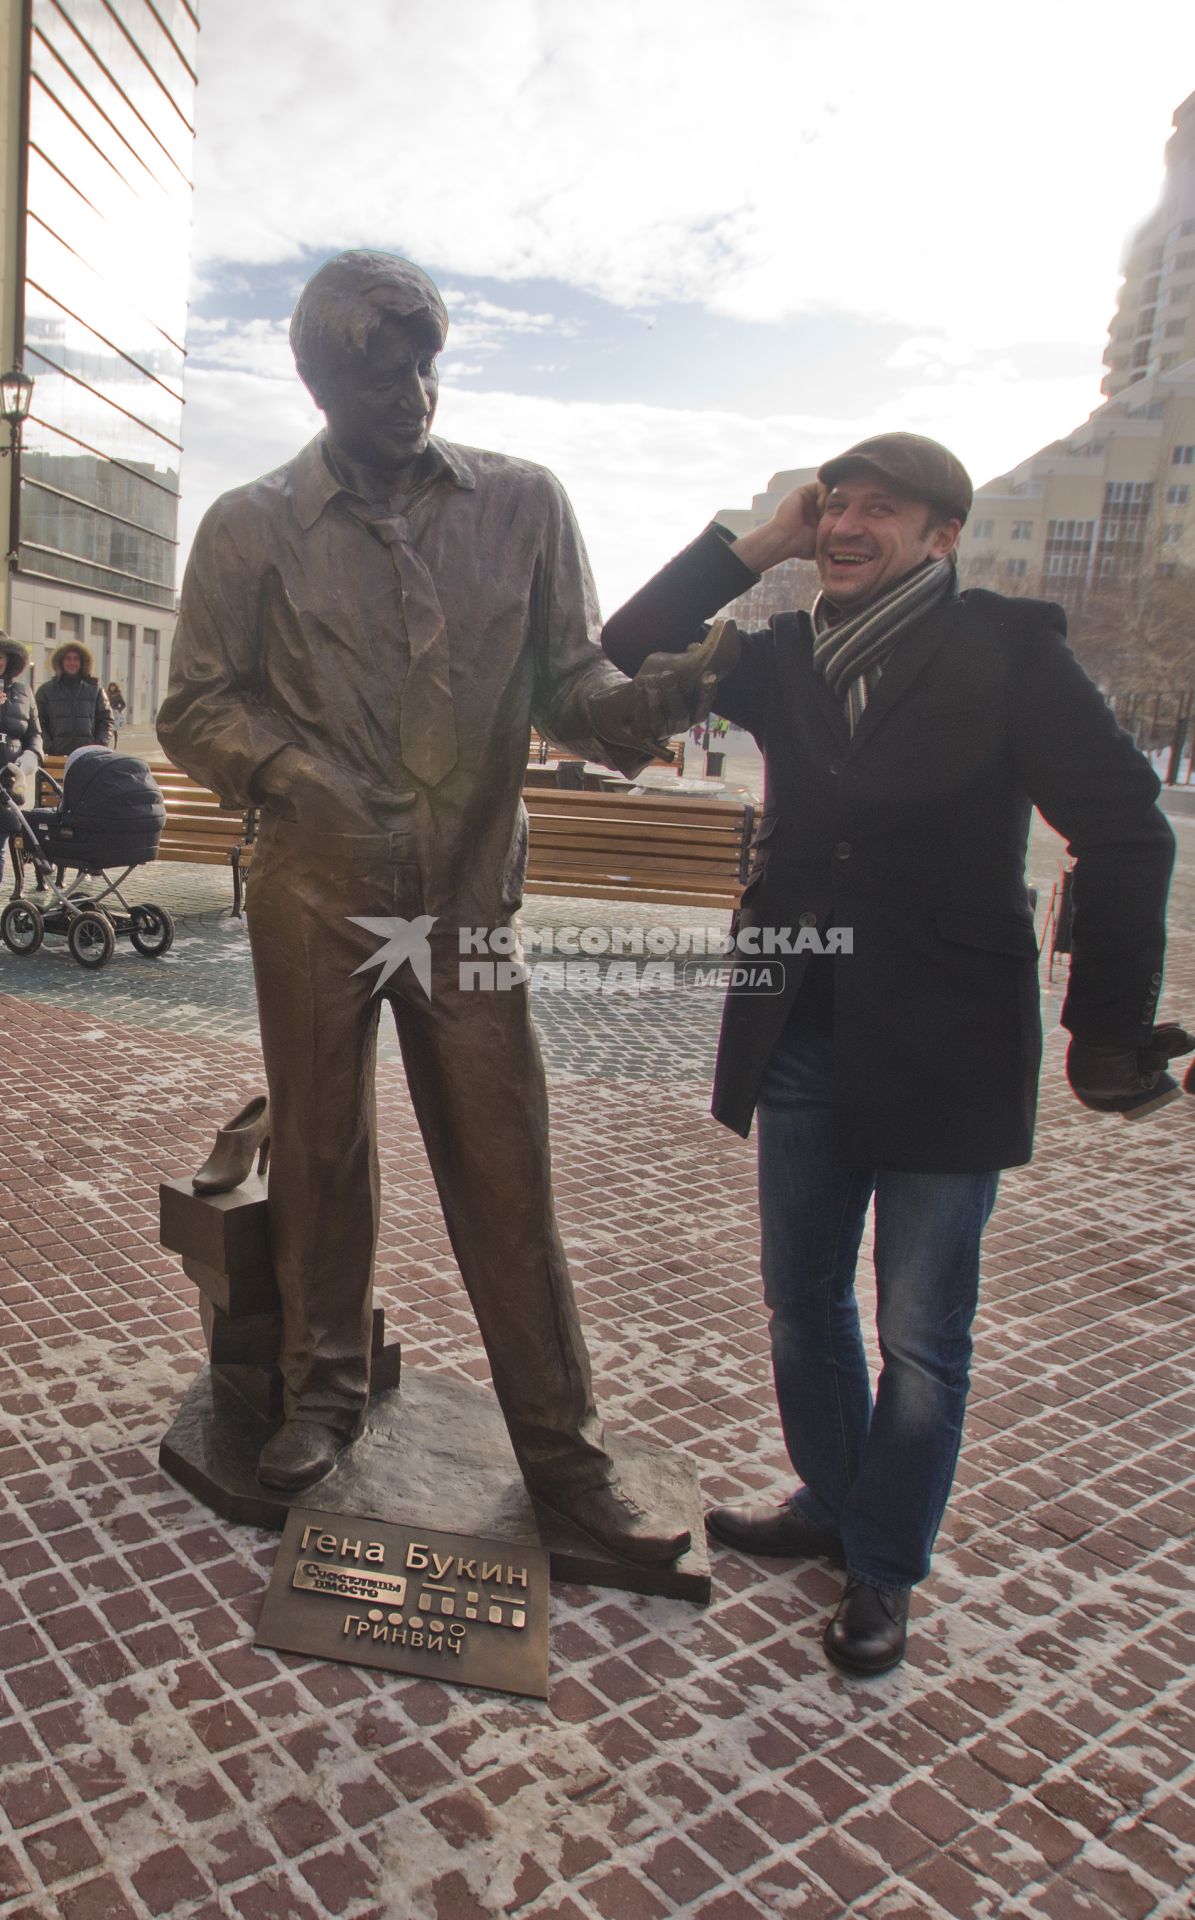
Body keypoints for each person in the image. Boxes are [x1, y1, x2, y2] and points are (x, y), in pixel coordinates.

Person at [157, 251, 709, 1562]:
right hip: (313, 900)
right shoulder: (248, 526)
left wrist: (663, 697)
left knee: (505, 1175)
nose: (410, 392)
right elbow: (194, 703)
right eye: (378, 370)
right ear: (317, 378)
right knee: (322, 1154)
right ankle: (322, 1393)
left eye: (424, 362)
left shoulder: (522, 506)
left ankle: (563, 1456)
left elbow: (571, 685)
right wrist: (290, 774)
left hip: (462, 906)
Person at [603, 431, 1178, 1672]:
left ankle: (883, 1561)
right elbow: (623, 650)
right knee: (801, 1301)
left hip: (947, 1042)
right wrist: (759, 541)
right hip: (801, 1024)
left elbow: (1128, 830)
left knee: (922, 1334)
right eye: (837, 505)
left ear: (942, 535)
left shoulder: (1007, 652)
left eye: (884, 509)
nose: (852, 525)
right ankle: (829, 1497)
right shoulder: (778, 654)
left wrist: (1109, 1029)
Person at [0, 636, 43, 883]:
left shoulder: (23, 692)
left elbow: (34, 736)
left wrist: (26, 761)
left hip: (9, 780)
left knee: (2, 837)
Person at [35, 643, 114, 755]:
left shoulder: (95, 690)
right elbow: (37, 722)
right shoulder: (45, 691)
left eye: (76, 659)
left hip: (88, 757)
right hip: (56, 757)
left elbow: (107, 720)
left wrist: (98, 746)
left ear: (82, 662)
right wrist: (48, 746)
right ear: (61, 662)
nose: (72, 662)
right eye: (68, 658)